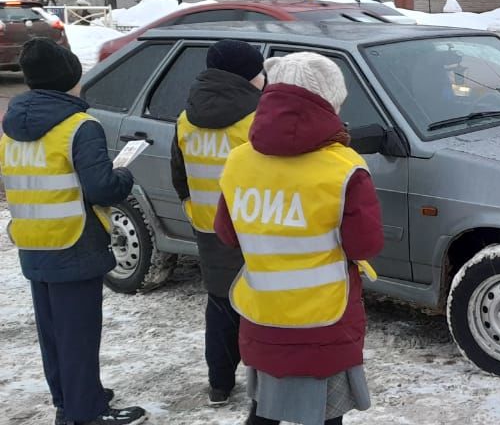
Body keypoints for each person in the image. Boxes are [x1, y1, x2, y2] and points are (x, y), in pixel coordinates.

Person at [214, 51, 384, 425]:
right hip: (326, 317)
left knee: (264, 411)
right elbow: (364, 246)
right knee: (325, 416)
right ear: (329, 101)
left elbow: (226, 233)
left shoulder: (239, 160)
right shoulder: (345, 167)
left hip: (263, 315)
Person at [0, 38, 147, 425]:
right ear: (70, 79)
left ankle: (70, 397)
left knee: (53, 332)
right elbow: (100, 187)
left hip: (32, 240)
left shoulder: (11, 125)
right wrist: (124, 176)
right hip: (75, 240)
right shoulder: (79, 126)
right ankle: (86, 412)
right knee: (79, 333)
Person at [169, 39, 265, 406]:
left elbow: (179, 176)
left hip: (208, 226)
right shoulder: (258, 118)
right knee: (259, 306)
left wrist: (194, 211)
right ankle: (263, 388)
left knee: (221, 304)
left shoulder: (184, 118)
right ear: (247, 76)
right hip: (255, 229)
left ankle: (219, 384)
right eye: (258, 71)